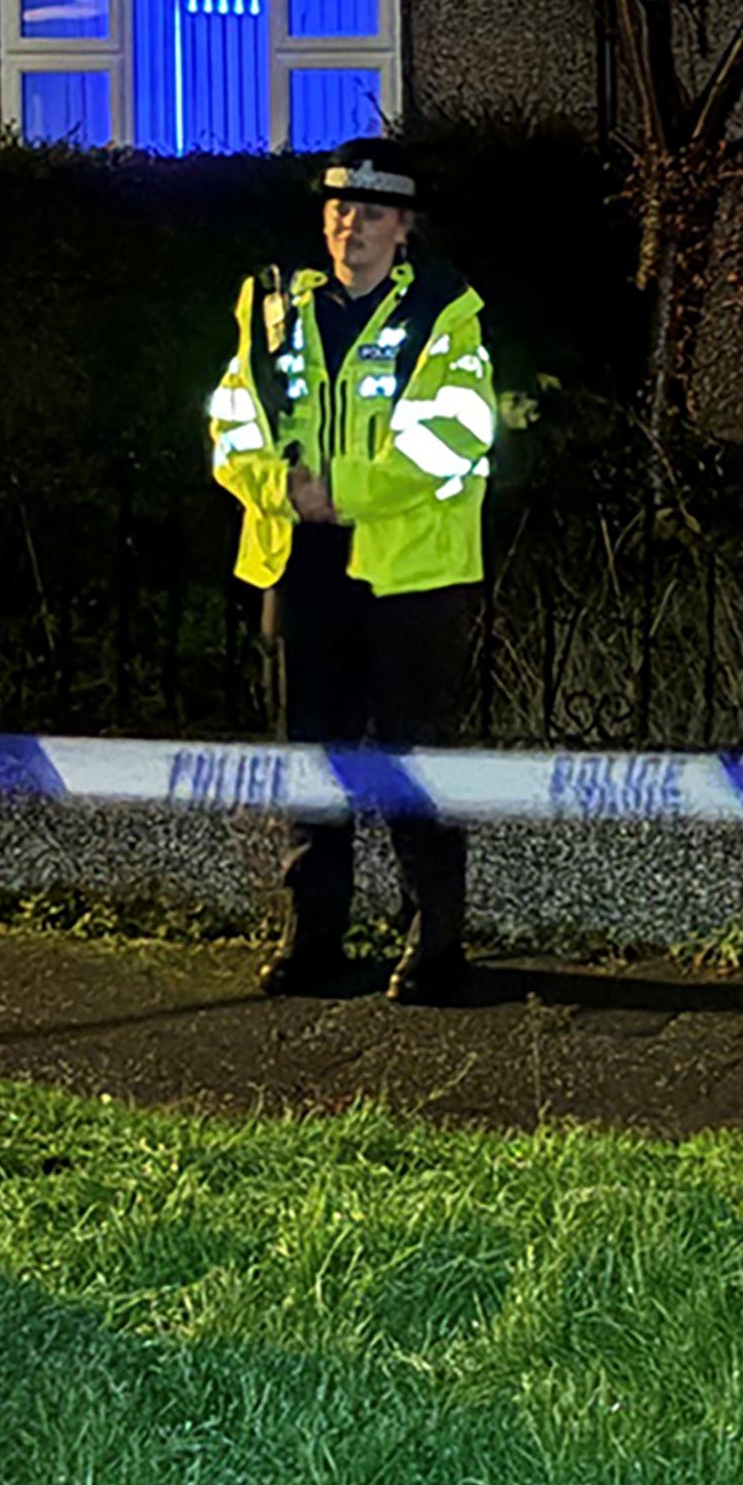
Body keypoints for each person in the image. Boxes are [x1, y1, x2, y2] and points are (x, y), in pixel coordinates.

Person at [207, 136, 501, 1000]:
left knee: (417, 761)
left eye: (372, 212)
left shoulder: (445, 312)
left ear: (404, 227)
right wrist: (281, 488)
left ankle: (434, 945)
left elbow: (455, 432)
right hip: (301, 563)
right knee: (310, 760)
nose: (351, 226)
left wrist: (341, 490)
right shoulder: (272, 310)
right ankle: (313, 938)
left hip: (407, 574)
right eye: (339, 208)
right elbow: (229, 419)